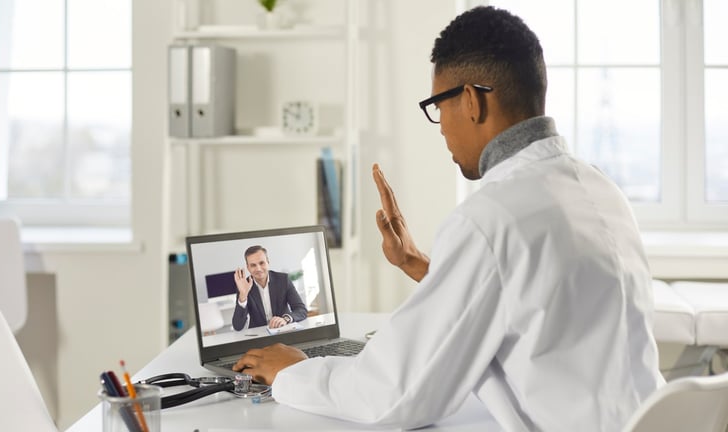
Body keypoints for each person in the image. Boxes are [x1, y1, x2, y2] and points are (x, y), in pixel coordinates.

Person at [233, 6, 664, 430]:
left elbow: (395, 394)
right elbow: (533, 299)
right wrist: (420, 265)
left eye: (438, 105)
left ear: (471, 100)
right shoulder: (599, 188)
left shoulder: (491, 217)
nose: (440, 127)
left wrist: (293, 371)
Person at [231, 245, 307, 330]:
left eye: (261, 263)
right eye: (253, 265)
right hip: (259, 335)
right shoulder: (244, 286)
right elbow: (238, 326)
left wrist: (286, 319)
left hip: (283, 329)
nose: (258, 269)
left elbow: (301, 310)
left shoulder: (283, 280)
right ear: (248, 268)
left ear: (268, 262)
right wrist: (243, 296)